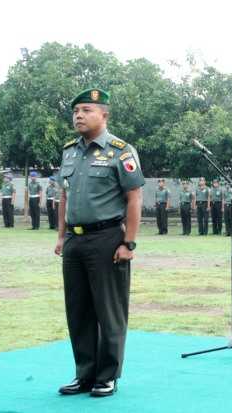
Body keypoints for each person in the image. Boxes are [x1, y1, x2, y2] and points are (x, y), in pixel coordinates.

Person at [55, 88, 144, 397]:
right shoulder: (69, 150)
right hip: (75, 241)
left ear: (103, 115)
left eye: (86, 110)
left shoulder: (121, 150)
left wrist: (128, 244)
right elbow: (64, 196)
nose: (78, 115)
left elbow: (134, 198)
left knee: (109, 310)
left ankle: (107, 375)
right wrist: (61, 235)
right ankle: (85, 374)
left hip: (107, 239)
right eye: (76, 110)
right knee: (78, 311)